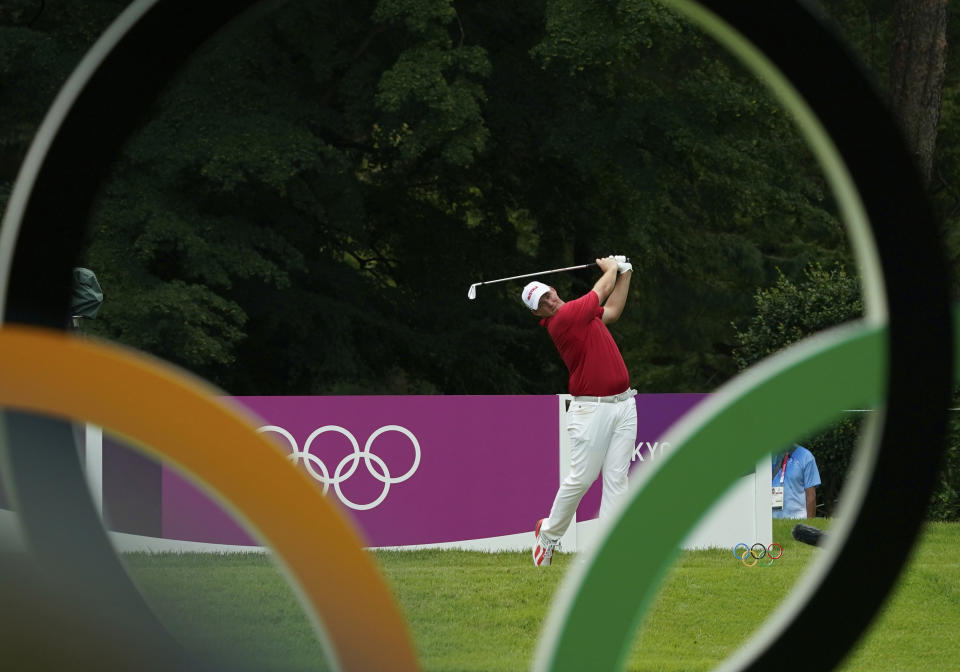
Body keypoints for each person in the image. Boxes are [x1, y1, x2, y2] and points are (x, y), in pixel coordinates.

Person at [522, 255, 636, 567]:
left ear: (554, 289)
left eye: (548, 294)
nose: (548, 302)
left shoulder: (581, 314)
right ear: (537, 314)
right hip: (591, 410)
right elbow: (600, 293)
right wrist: (611, 267)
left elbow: (610, 311)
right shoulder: (562, 319)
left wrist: (625, 274)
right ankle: (548, 534)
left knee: (617, 479)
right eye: (541, 303)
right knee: (582, 478)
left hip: (625, 404)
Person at [771, 444, 821, 519]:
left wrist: (808, 526)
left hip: (797, 521)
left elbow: (811, 496)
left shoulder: (806, 456)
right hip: (771, 523)